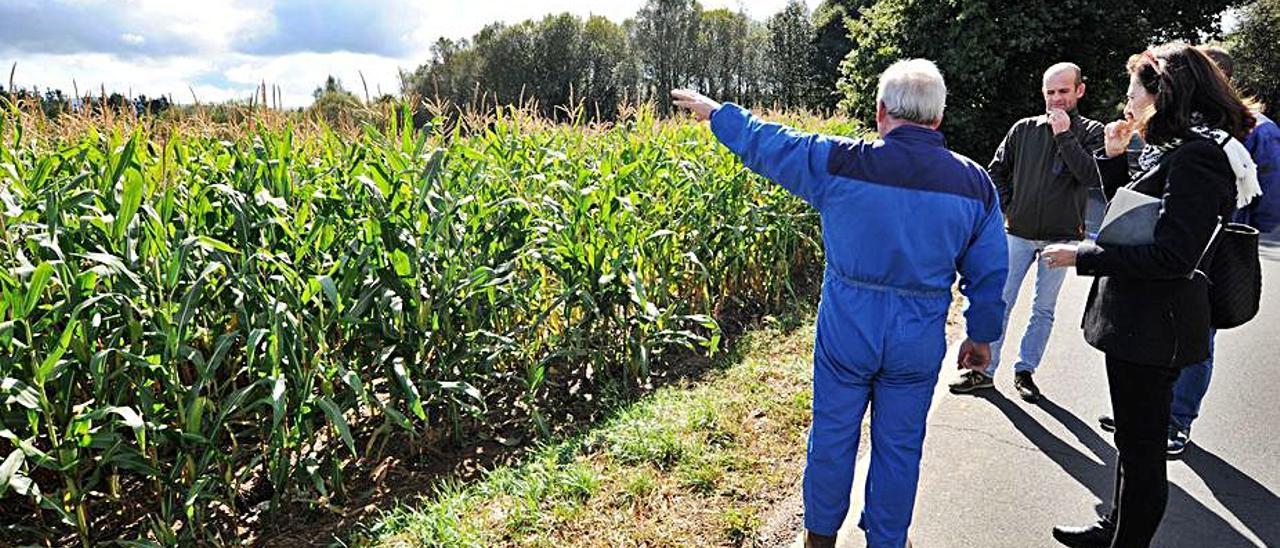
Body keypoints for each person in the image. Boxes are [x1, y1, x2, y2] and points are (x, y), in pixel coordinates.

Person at [671, 58, 1008, 548]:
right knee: (899, 447)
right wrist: (980, 335)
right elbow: (991, 272)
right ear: (937, 119)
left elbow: (772, 143)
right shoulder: (974, 183)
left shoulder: (842, 161)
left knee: (832, 437)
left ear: (880, 112)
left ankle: (820, 537)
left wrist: (718, 112)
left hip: (848, 328)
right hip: (917, 336)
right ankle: (888, 539)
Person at [1042, 43, 1259, 547]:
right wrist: (1116, 160)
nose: (1127, 99)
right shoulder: (1185, 146)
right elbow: (1134, 220)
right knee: (1132, 442)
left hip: (1154, 326)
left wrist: (1083, 257)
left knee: (1142, 455)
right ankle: (1113, 526)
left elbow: (1171, 256)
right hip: (1140, 323)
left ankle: (1127, 539)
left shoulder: (1199, 155)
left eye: (1133, 89)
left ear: (1162, 92)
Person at [949, 63, 1104, 402]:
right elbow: (997, 170)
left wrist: (1065, 135)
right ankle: (983, 372)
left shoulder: (1092, 131)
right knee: (999, 302)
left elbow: (1093, 176)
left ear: (1079, 90)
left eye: (1063, 91)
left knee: (1043, 309)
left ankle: (1025, 370)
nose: (1056, 99)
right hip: (1017, 232)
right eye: (1050, 92)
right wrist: (1009, 207)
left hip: (1061, 237)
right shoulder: (1023, 129)